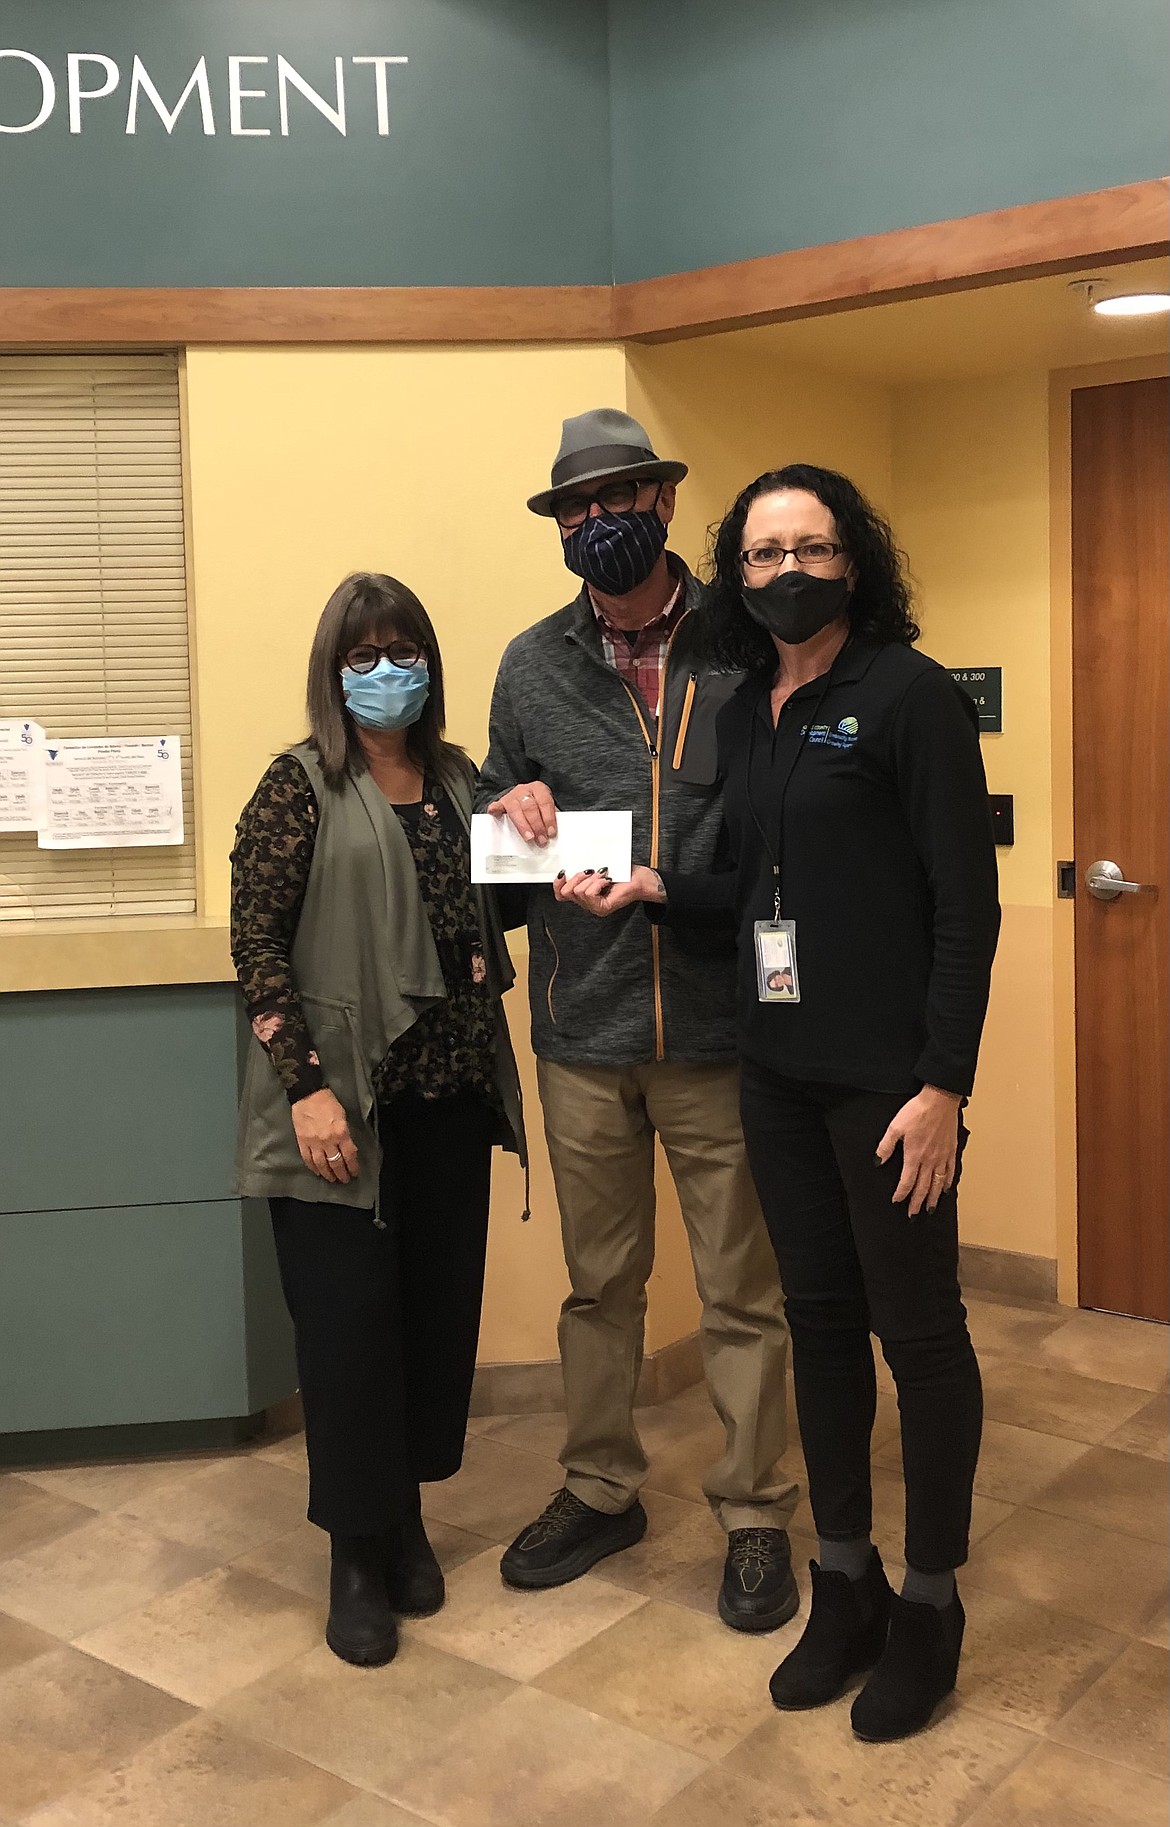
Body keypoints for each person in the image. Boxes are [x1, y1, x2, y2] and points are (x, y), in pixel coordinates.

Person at [557, 464, 999, 1741]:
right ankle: (846, 1582)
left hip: (890, 1084)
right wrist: (654, 890)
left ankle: (931, 1603)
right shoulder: (752, 708)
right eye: (760, 554)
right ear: (738, 576)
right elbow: (755, 885)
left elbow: (966, 913)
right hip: (777, 1073)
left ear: (854, 560)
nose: (785, 570)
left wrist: (944, 1085)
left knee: (918, 1336)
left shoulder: (909, 697)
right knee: (815, 1326)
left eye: (809, 546)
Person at [477, 408, 799, 1632]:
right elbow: (501, 853)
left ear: (665, 503)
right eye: (575, 508)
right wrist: (511, 803)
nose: (596, 523)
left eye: (618, 499)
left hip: (726, 1031)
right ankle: (600, 1486)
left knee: (741, 1294)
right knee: (597, 1289)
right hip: (582, 1031)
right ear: (559, 527)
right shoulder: (530, 664)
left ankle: (757, 1511)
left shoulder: (749, 640)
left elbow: (791, 820)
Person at [232, 571, 526, 1669]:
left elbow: (518, 901)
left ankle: (403, 1520)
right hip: (341, 1108)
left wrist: (537, 819)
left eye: (403, 649)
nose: (386, 670)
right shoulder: (298, 786)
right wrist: (304, 1084)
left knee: (431, 1323)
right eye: (363, 655)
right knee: (348, 1334)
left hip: (450, 1097)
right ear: (332, 671)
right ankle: (354, 1556)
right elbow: (256, 948)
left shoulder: (461, 781)